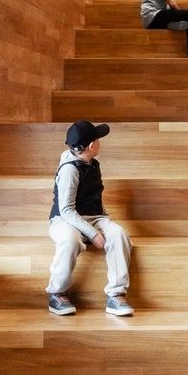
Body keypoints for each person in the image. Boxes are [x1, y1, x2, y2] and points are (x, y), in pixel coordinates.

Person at [46, 120, 134, 317]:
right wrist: (93, 234)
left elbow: (95, 197)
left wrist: (105, 222)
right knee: (70, 240)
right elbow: (66, 210)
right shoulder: (69, 170)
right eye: (98, 139)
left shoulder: (91, 163)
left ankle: (116, 294)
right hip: (64, 219)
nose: (100, 142)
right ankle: (57, 292)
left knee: (118, 234)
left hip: (93, 217)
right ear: (92, 146)